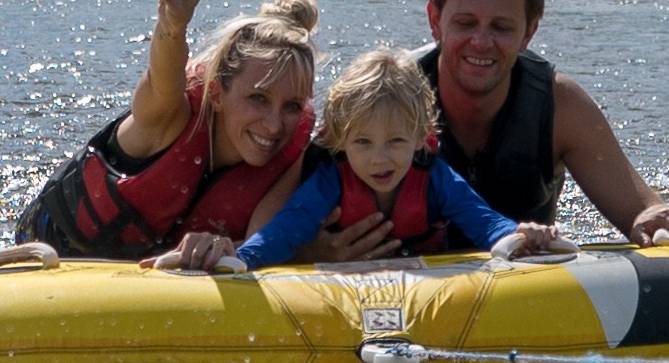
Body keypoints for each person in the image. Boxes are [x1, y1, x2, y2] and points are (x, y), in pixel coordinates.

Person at [307, 0, 669, 261]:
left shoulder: (561, 106)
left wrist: (656, 217)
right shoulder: (374, 96)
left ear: (528, 32)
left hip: (519, 295)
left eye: (501, 27)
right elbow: (277, 211)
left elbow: (638, 210)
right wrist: (310, 252)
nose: (481, 42)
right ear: (434, 20)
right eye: (465, 23)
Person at [15, 0, 316, 271]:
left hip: (147, 273)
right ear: (216, 93)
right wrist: (174, 21)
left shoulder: (295, 153)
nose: (275, 124)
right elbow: (163, 79)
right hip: (55, 247)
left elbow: (261, 242)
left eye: (292, 106)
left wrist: (222, 248)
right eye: (258, 98)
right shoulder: (169, 115)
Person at [237, 49, 573, 267]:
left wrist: (523, 237)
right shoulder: (330, 182)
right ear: (340, 141)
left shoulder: (437, 180)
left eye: (396, 140)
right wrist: (240, 260)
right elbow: (284, 231)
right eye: (363, 142)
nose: (378, 159)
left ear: (421, 137)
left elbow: (484, 222)